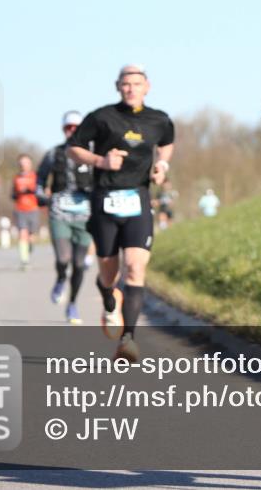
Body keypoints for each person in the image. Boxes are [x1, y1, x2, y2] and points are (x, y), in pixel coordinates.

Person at [68, 65, 175, 362]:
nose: (131, 89)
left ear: (147, 86)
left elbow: (166, 144)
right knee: (108, 272)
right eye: (125, 84)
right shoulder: (101, 117)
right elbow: (73, 148)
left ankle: (128, 340)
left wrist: (161, 166)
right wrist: (101, 160)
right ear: (118, 87)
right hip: (105, 201)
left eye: (136, 83)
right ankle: (107, 297)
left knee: (135, 268)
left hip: (138, 201)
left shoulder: (160, 120)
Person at [37, 110, 94, 325]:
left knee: (79, 264)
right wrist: (41, 195)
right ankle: (61, 278)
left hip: (84, 215)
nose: (72, 131)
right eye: (68, 127)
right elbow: (40, 179)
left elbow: (103, 178)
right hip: (59, 213)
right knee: (63, 259)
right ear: (64, 130)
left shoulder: (92, 154)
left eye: (75, 127)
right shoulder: (53, 153)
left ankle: (72, 304)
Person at [11, 153, 40, 270]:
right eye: (21, 163)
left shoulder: (35, 176)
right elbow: (12, 194)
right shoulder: (16, 178)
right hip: (20, 209)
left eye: (26, 162)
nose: (24, 165)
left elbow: (40, 191)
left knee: (31, 236)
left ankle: (29, 249)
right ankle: (24, 260)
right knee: (22, 234)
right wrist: (18, 193)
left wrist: (30, 191)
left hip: (33, 209)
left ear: (30, 164)